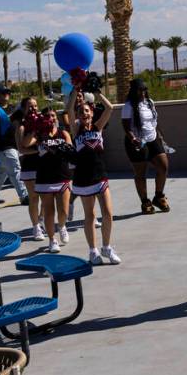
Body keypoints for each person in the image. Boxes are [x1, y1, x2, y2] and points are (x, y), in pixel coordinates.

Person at [67, 85, 121, 265]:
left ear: (92, 112)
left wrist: (97, 92)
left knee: (108, 213)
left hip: (100, 176)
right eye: (81, 112)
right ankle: (93, 251)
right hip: (83, 178)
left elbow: (110, 108)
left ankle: (106, 247)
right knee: (89, 215)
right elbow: (69, 109)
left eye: (87, 111)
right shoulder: (76, 131)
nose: (85, 114)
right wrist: (75, 89)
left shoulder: (98, 127)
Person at [22, 107, 72, 253]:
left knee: (63, 210)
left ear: (56, 118)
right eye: (47, 116)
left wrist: (63, 147)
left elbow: (70, 148)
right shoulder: (39, 135)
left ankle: (62, 226)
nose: (51, 118)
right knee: (49, 211)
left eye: (53, 115)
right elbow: (25, 144)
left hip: (62, 176)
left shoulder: (63, 133)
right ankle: (52, 240)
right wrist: (34, 128)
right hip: (44, 177)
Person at [121, 79, 170, 214]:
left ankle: (159, 196)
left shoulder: (149, 102)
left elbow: (154, 122)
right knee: (141, 174)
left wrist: (160, 136)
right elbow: (126, 126)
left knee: (163, 166)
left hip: (152, 138)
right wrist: (133, 139)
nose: (143, 92)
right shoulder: (128, 106)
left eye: (144, 89)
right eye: (140, 90)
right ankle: (145, 202)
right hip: (136, 142)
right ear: (133, 91)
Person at [0, 85, 28, 206]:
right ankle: (24, 196)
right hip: (2, 146)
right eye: (3, 93)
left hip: (13, 144)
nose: (6, 95)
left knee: (2, 171)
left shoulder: (13, 108)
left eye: (7, 93)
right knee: (15, 168)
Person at [14, 96, 45, 240]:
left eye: (35, 105)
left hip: (44, 165)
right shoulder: (21, 127)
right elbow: (21, 149)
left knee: (46, 197)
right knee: (34, 198)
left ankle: (42, 219)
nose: (33, 108)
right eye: (29, 106)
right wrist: (38, 150)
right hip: (29, 167)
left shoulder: (44, 122)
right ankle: (35, 227)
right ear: (24, 109)